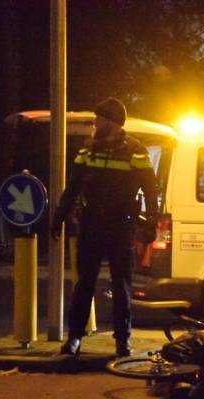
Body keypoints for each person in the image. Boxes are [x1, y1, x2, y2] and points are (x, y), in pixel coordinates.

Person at [51, 97, 157, 357]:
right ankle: (75, 338)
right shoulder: (89, 149)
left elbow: (151, 189)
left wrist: (151, 222)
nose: (96, 124)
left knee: (121, 284)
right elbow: (74, 185)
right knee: (84, 283)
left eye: (100, 119)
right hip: (92, 224)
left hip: (121, 226)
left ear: (112, 122)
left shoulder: (136, 150)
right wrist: (59, 215)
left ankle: (123, 341)